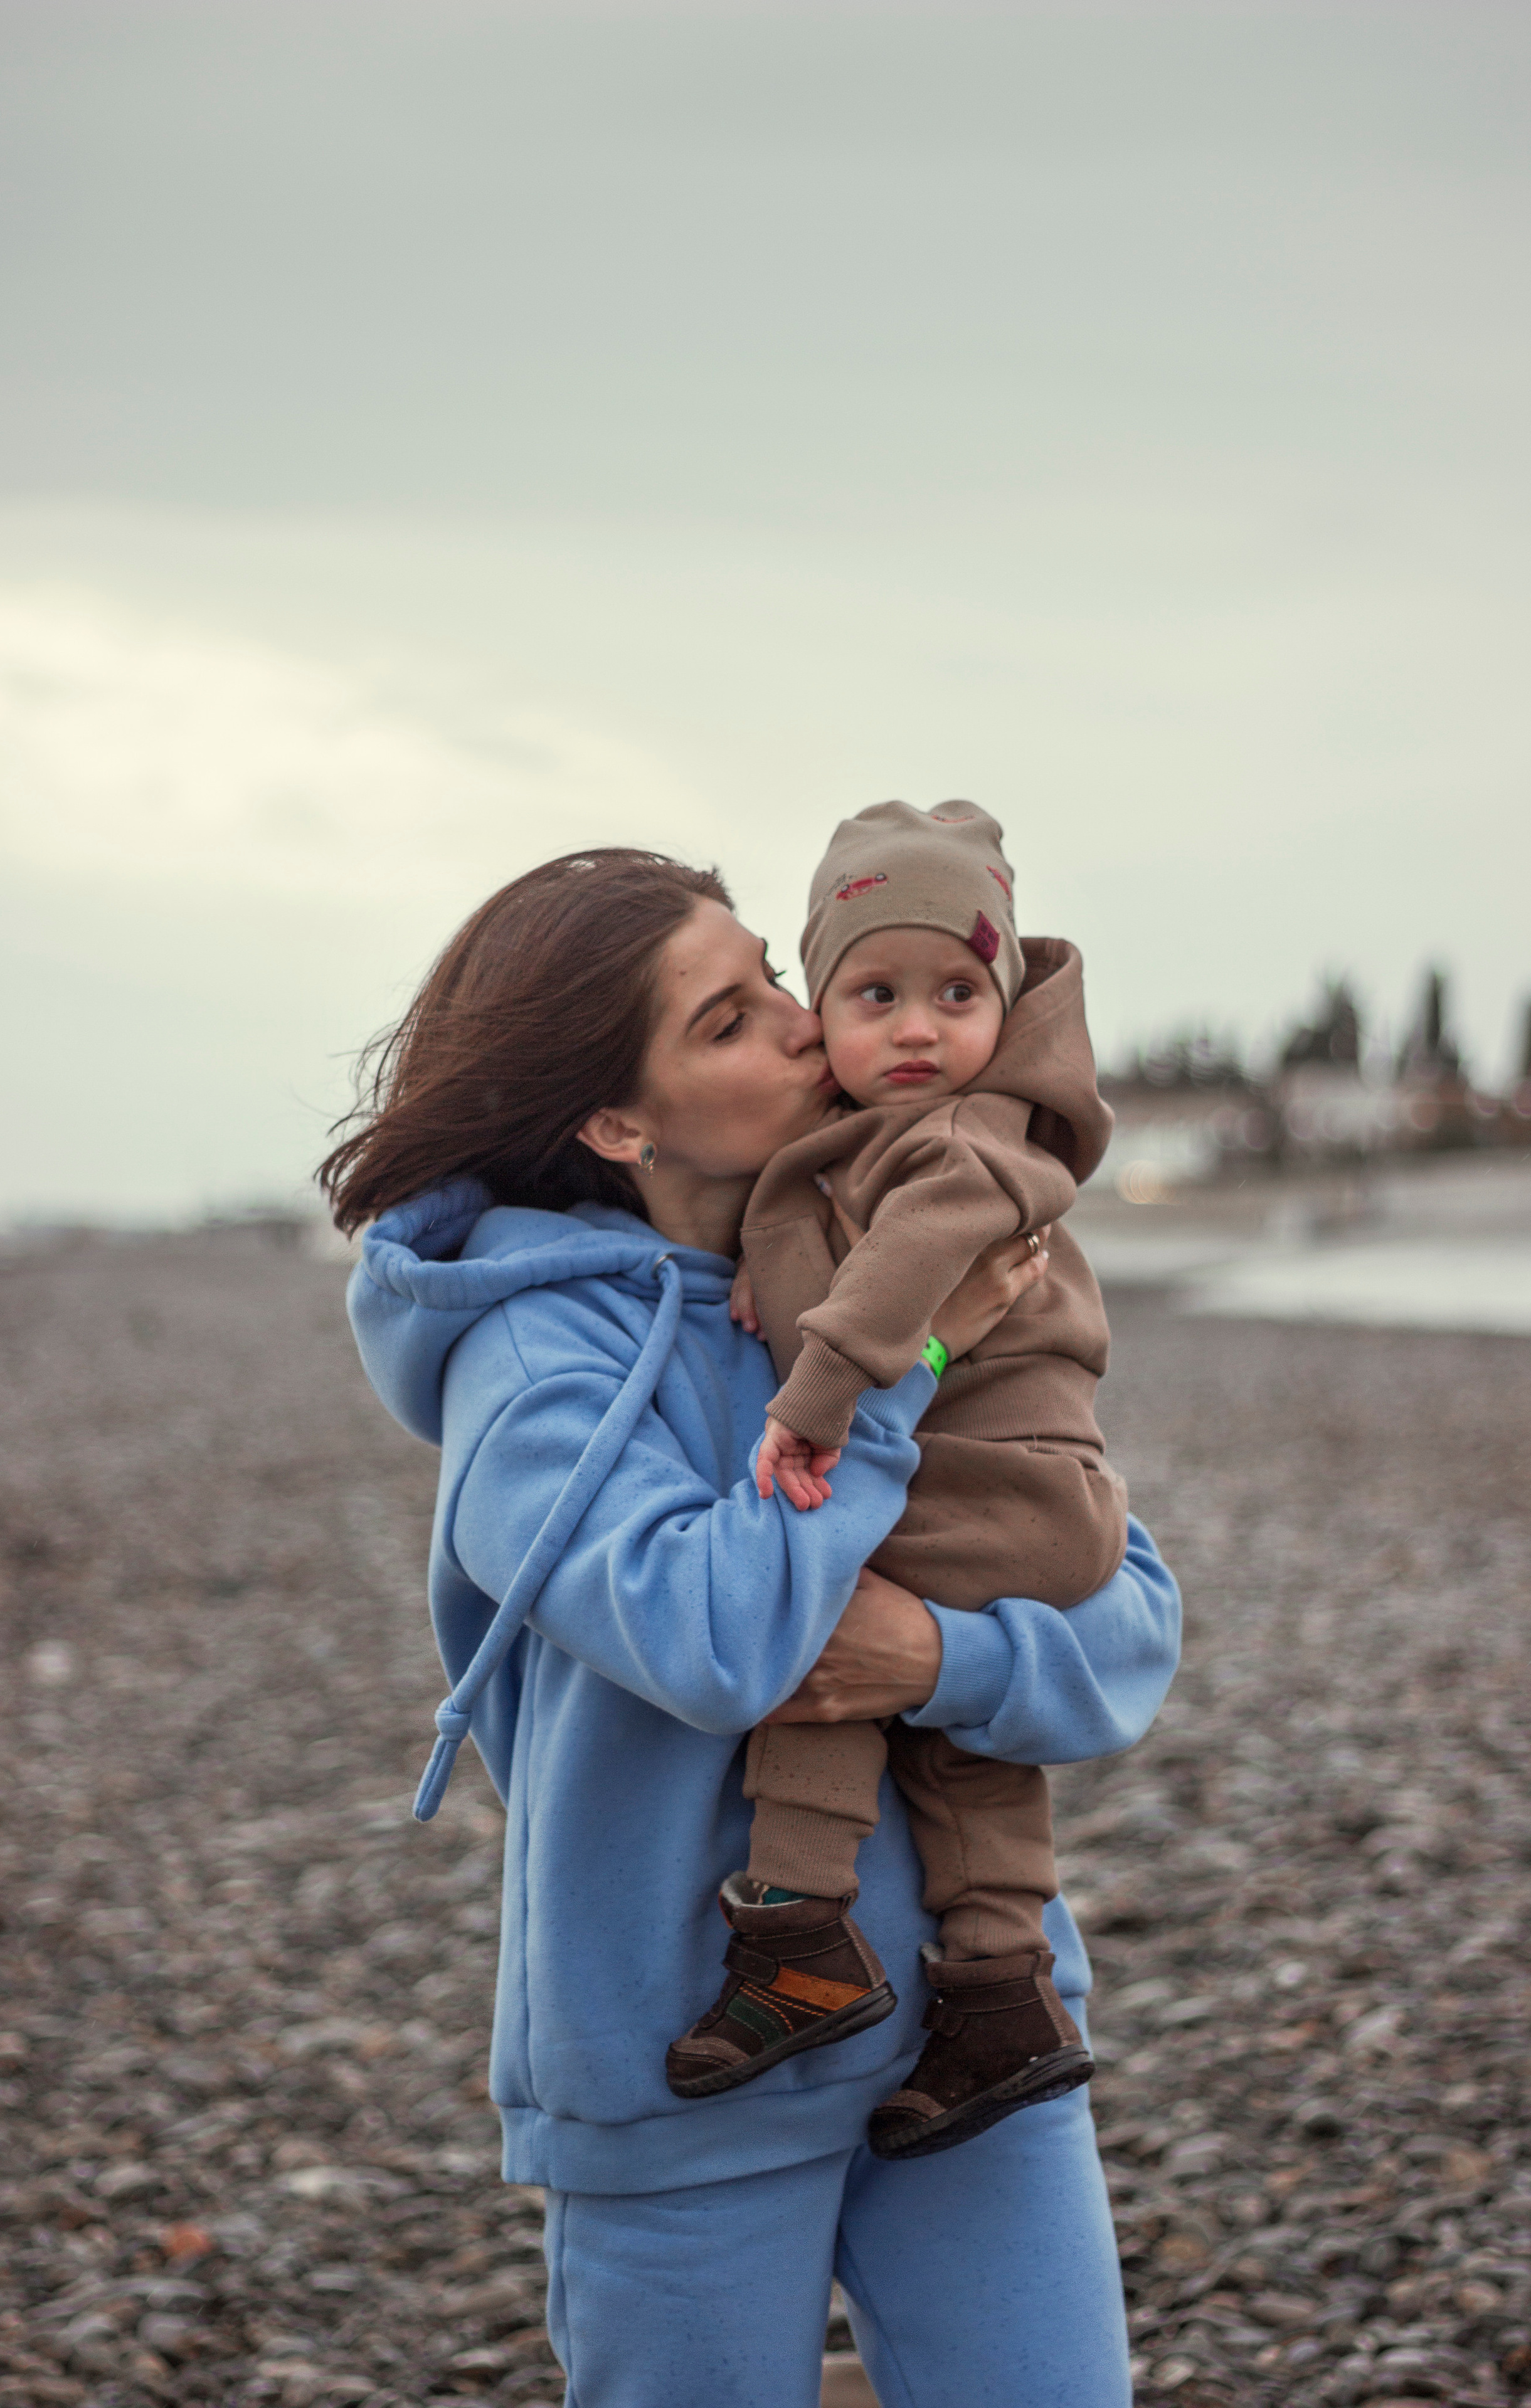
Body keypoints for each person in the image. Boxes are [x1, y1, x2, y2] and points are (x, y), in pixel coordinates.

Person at [320, 847, 1180, 2408]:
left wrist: (946, 1661)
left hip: (979, 2035)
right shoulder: (532, 1361)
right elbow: (715, 1637)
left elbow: (1126, 1619)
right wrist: (903, 1370)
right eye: (726, 1020)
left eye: (772, 978)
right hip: (686, 2073)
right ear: (615, 1120)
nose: (802, 1022)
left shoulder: (905, 1243)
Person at [669, 801, 1128, 2163]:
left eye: (957, 994)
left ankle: (797, 1926)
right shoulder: (874, 1146)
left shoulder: (968, 1141)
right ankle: (999, 1987)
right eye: (877, 995)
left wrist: (811, 1404)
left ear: (1006, 1005)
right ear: (824, 1003)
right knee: (951, 1734)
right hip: (1027, 1495)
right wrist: (772, 1261)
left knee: (817, 1610)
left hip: (1003, 1485)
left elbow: (902, 1271)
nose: (918, 1029)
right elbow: (845, 1240)